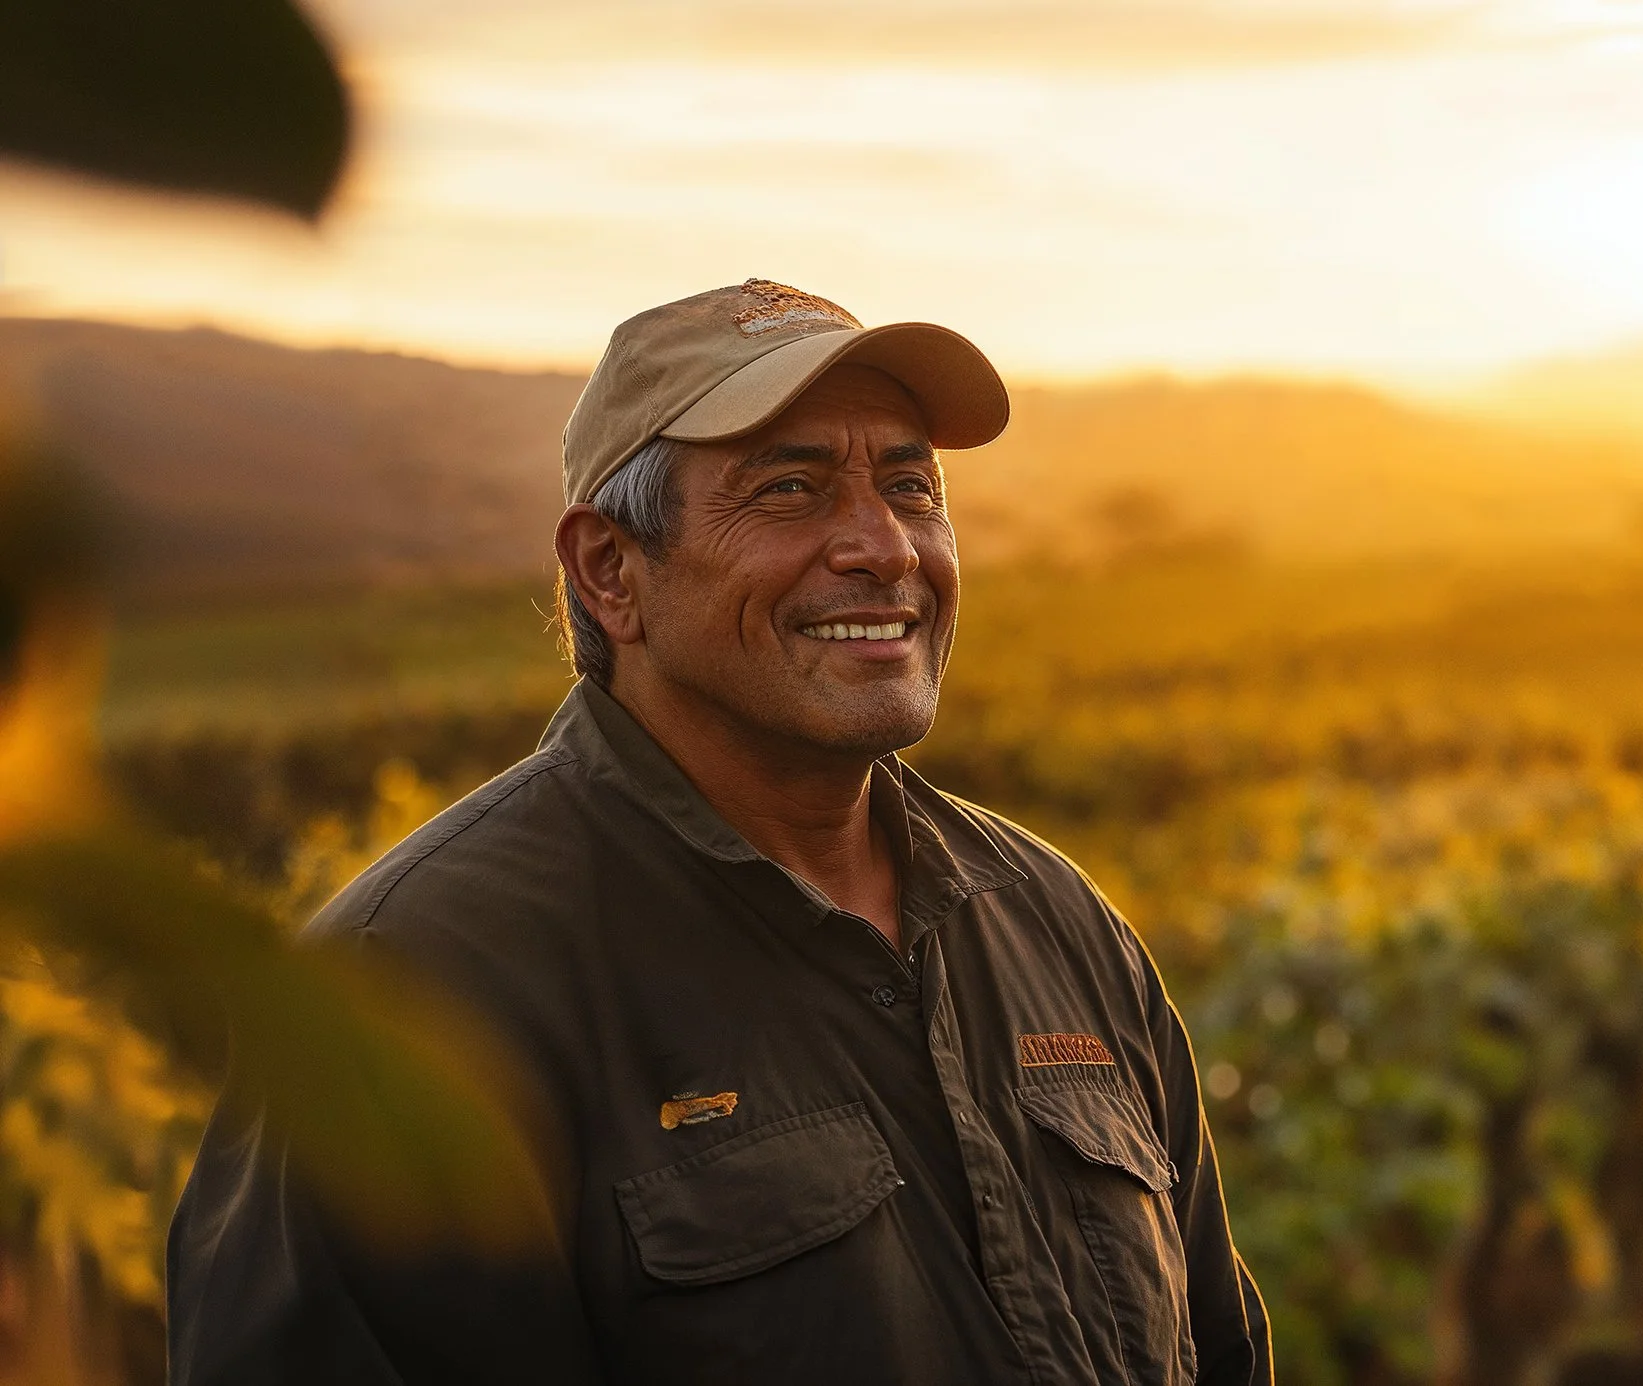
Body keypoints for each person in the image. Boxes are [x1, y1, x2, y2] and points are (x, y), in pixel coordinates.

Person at [167, 279, 1270, 1386]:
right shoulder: (409, 991)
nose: (883, 548)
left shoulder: (1055, 920)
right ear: (610, 572)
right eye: (789, 489)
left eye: (909, 486)